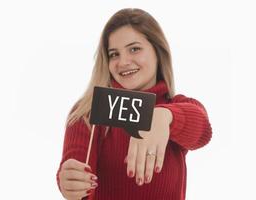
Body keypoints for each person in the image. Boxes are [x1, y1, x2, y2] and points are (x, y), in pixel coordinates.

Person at [56, 8, 212, 200]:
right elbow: (76, 174)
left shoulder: (175, 106)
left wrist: (163, 117)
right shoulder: (88, 111)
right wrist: (70, 181)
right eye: (114, 54)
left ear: (157, 51)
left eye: (134, 49)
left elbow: (203, 132)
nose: (123, 62)